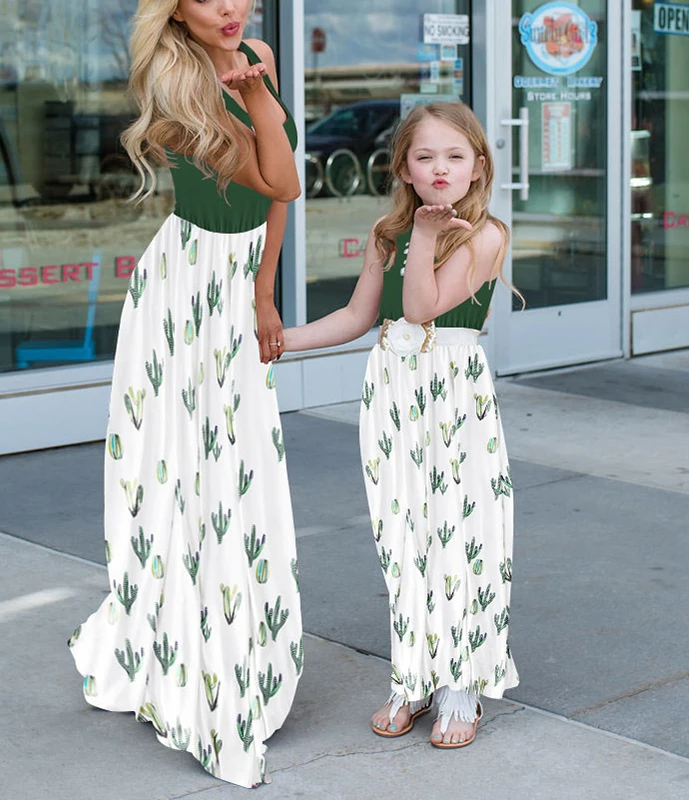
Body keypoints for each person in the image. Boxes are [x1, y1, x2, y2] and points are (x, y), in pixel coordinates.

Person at [68, 0, 303, 788]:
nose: (231, 6)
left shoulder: (254, 51)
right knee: (181, 472)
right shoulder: (173, 85)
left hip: (236, 287)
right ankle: (183, 646)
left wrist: (267, 294)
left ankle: (241, 638)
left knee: (237, 472)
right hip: (186, 293)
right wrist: (263, 99)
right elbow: (285, 178)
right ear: (176, 9)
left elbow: (273, 208)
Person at [284, 102, 519, 748]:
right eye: (424, 157)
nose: (440, 168)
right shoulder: (386, 233)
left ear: (478, 166)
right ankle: (413, 673)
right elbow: (362, 315)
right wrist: (280, 340)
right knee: (403, 534)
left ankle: (460, 682)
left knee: (459, 533)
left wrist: (423, 236)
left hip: (451, 393)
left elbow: (422, 307)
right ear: (404, 168)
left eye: (454, 156)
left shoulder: (486, 234)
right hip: (391, 390)